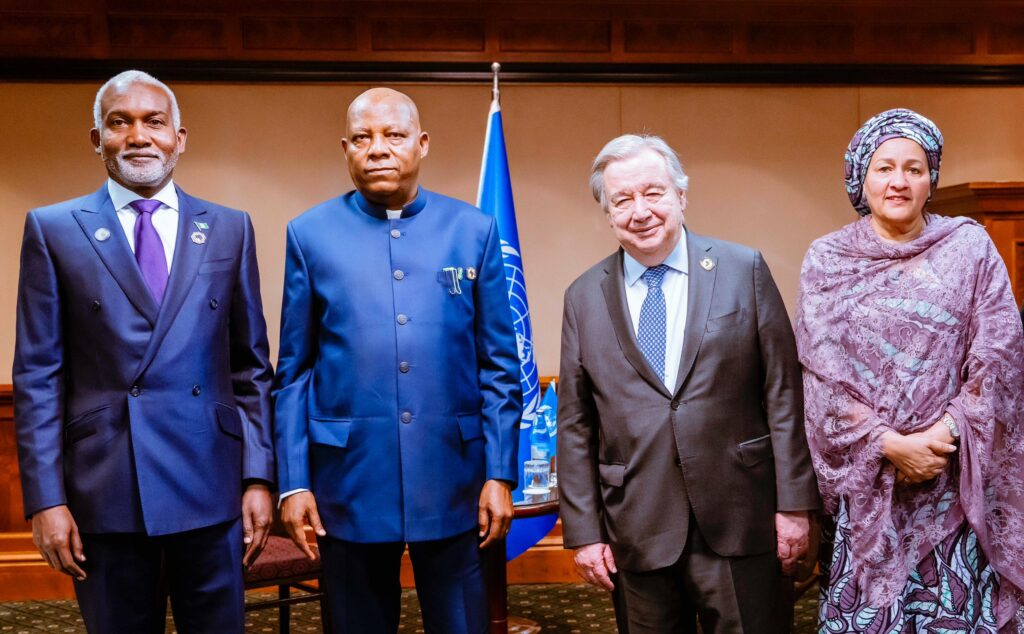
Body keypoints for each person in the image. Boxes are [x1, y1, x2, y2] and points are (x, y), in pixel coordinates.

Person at [12, 70, 274, 633]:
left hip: (211, 482)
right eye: (119, 122)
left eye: (154, 121)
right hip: (105, 488)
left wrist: (258, 476)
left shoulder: (230, 228)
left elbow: (250, 368)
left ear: (179, 137)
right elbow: (38, 376)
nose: (138, 136)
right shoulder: (53, 229)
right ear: (97, 139)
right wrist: (45, 500)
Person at [272, 87, 522, 633]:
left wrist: (501, 472)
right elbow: (293, 372)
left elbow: (499, 367)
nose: (378, 148)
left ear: (422, 143)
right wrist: (293, 482)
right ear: (346, 148)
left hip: (455, 479)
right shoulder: (309, 234)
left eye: (394, 135)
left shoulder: (473, 231)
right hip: (348, 482)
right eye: (362, 138)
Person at [557, 133, 820, 633]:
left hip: (742, 516)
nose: (640, 211)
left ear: (681, 195)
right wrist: (585, 532)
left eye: (653, 192)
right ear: (608, 214)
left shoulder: (743, 270)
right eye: (622, 200)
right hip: (636, 524)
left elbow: (784, 395)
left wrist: (794, 506)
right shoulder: (583, 297)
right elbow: (575, 424)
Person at [796, 108, 1024, 631]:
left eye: (914, 169)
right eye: (884, 168)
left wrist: (944, 434)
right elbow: (821, 378)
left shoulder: (969, 246)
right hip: (871, 487)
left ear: (931, 180)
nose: (899, 181)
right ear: (861, 179)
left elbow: (999, 353)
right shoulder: (828, 259)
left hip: (956, 484)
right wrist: (890, 444)